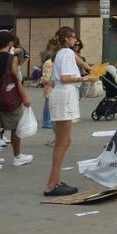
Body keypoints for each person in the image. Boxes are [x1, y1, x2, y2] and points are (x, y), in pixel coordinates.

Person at [0, 30, 34, 173]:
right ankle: (17, 157)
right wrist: (24, 97)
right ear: (10, 43)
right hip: (9, 99)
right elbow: (15, 80)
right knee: (15, 128)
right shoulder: (11, 59)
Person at [44, 26, 83, 197]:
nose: (76, 41)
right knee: (62, 142)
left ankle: (55, 181)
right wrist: (85, 78)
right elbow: (65, 78)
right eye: (73, 37)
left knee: (63, 141)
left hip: (60, 96)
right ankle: (52, 184)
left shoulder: (59, 53)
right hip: (64, 97)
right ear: (67, 39)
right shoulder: (66, 53)